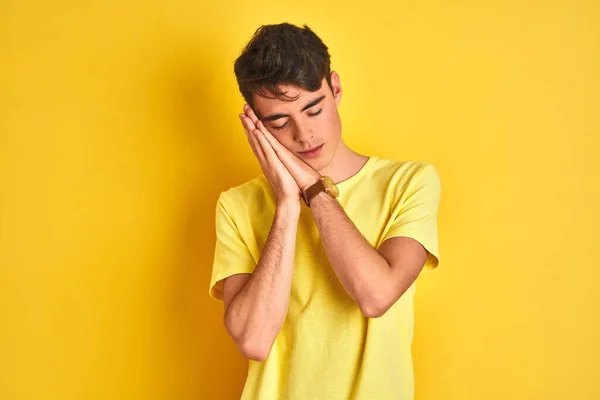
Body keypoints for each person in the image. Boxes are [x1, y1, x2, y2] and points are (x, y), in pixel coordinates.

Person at [209, 22, 441, 400]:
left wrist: (313, 188)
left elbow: (376, 295)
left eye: (313, 109)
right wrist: (286, 204)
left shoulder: (409, 182)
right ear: (256, 124)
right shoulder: (237, 205)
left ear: (335, 88)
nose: (304, 135)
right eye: (280, 123)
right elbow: (253, 340)